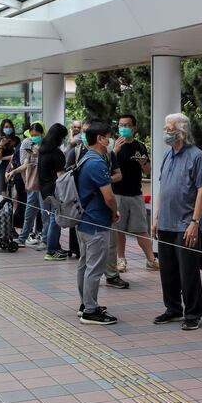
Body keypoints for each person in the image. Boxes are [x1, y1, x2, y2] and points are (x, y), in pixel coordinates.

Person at [152, 113, 202, 331]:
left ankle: (193, 313)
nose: (166, 131)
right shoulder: (167, 155)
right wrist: (156, 217)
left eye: (170, 128)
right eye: (166, 127)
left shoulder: (196, 156)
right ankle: (173, 308)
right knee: (167, 270)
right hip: (165, 222)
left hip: (186, 223)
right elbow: (162, 188)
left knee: (188, 272)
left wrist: (195, 221)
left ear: (182, 131)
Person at [76, 120, 120, 325]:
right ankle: (90, 311)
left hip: (85, 221)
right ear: (100, 138)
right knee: (94, 267)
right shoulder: (97, 162)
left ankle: (86, 304)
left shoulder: (86, 158)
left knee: (85, 265)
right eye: (108, 136)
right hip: (96, 222)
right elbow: (109, 197)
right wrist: (114, 212)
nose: (110, 140)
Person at [112, 114, 157, 272]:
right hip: (117, 193)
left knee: (141, 229)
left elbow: (147, 171)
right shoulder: (114, 146)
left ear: (134, 128)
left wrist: (144, 164)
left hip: (136, 194)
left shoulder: (140, 146)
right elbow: (106, 166)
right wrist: (115, 150)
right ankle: (121, 260)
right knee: (119, 230)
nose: (123, 128)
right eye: (120, 125)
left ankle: (151, 260)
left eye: (127, 125)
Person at [10, 122, 45, 245]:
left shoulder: (46, 148)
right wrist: (13, 172)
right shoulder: (30, 148)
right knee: (29, 214)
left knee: (44, 215)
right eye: (32, 135)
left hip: (42, 187)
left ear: (42, 133)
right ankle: (22, 238)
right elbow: (24, 165)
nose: (34, 137)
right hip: (31, 186)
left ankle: (45, 240)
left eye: (36, 134)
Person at [39, 123, 70, 261]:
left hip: (44, 189)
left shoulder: (43, 151)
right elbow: (61, 176)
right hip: (54, 190)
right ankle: (51, 250)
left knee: (52, 217)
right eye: (64, 137)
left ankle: (55, 247)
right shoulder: (57, 153)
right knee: (55, 219)